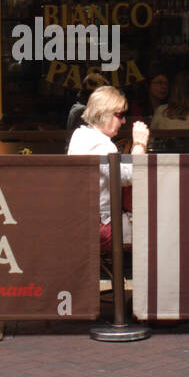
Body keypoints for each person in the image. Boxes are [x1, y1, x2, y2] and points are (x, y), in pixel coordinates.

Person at [68, 85, 150, 252]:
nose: (123, 121)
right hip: (100, 228)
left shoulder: (80, 135)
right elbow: (129, 176)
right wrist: (139, 144)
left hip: (81, 222)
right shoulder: (100, 143)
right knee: (155, 230)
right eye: (120, 115)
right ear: (105, 113)